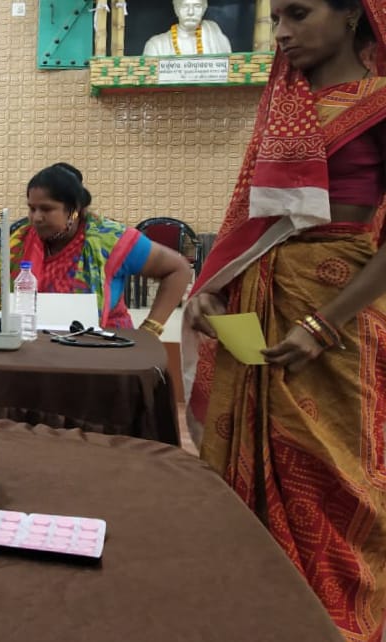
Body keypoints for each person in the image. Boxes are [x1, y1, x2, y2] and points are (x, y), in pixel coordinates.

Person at [183, 1, 385, 638]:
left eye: (298, 14)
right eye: (275, 19)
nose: (282, 33)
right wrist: (213, 288)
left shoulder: (380, 103)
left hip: (342, 314)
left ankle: (337, 625)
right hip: (257, 306)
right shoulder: (283, 109)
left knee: (339, 480)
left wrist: (325, 324)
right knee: (242, 469)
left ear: (352, 14)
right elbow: (254, 222)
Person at [0, 163, 191, 333]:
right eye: (32, 208)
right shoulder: (19, 241)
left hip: (104, 347)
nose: (36, 218)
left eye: (46, 209)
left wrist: (151, 329)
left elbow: (178, 269)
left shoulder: (111, 239)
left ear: (73, 210)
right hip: (32, 345)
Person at [142, 0, 234, 56]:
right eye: (185, 6)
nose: (190, 12)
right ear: (176, 9)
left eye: (197, 6)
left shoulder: (217, 38)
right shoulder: (156, 46)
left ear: (204, 9)